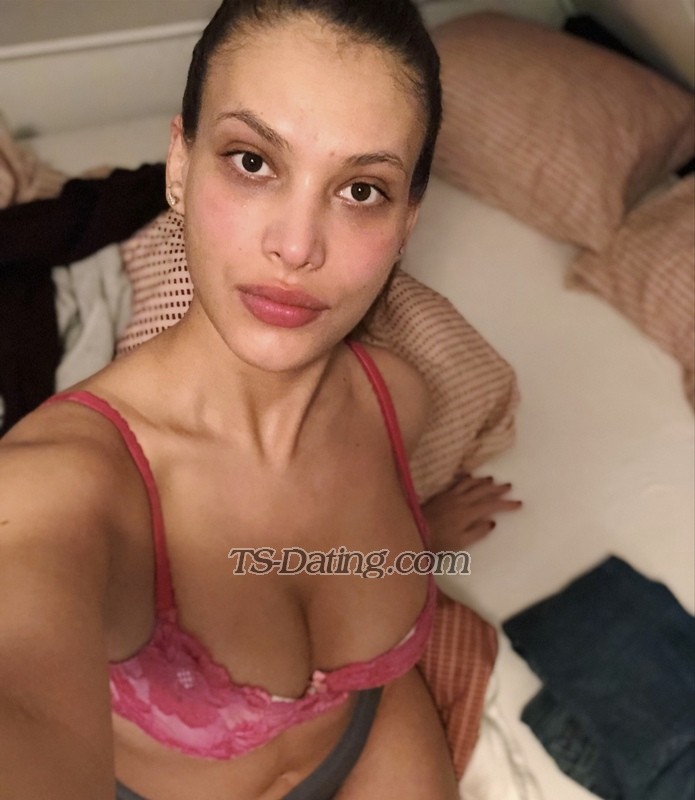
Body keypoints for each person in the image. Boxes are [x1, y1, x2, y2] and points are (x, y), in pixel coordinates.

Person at [0, 1, 520, 797]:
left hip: (366, 726)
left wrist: (415, 545)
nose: (296, 246)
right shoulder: (59, 489)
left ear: (406, 222)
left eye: (361, 190)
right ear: (179, 167)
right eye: (252, 161)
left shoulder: (398, 398)